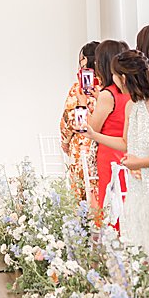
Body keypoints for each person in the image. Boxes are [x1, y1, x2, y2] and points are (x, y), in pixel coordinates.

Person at [89, 51, 149, 260]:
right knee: (137, 245)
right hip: (137, 187)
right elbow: (125, 144)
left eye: (114, 75)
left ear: (123, 78)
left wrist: (140, 163)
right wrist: (95, 135)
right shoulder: (132, 106)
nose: (113, 79)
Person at [88, 38, 131, 220]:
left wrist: (85, 105)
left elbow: (93, 128)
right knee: (125, 198)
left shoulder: (108, 94)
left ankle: (111, 238)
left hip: (109, 152)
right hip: (128, 150)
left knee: (110, 199)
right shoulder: (130, 90)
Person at [59, 41, 100, 204]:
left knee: (80, 196)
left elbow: (68, 119)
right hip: (103, 144)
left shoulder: (78, 89)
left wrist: (65, 142)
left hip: (81, 145)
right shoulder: (107, 88)